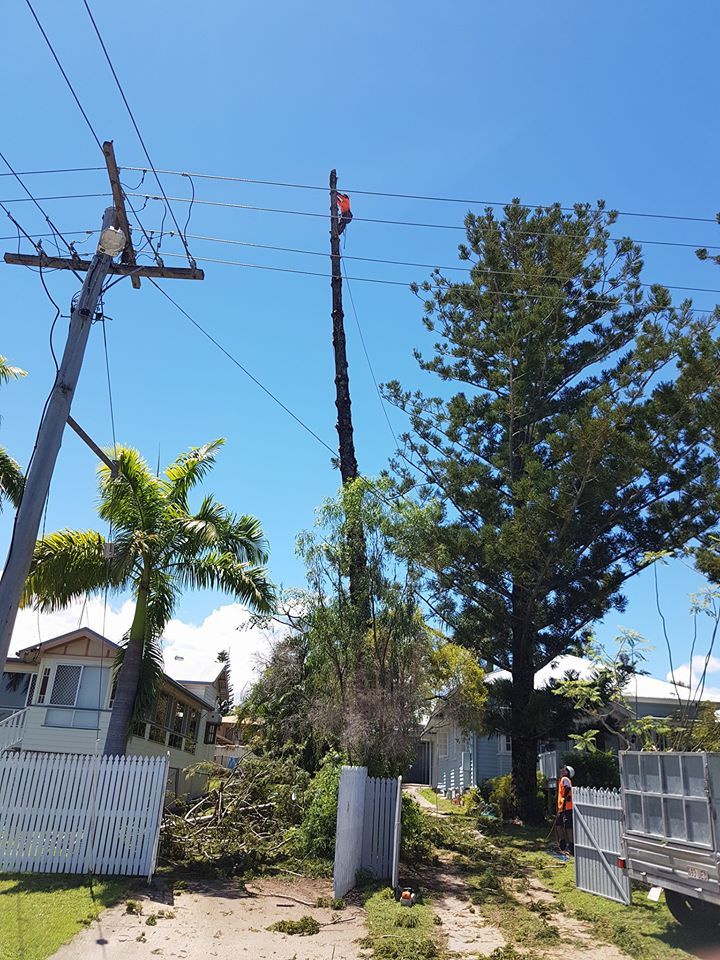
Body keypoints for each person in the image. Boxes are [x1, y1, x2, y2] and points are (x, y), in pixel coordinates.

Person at [556, 764, 574, 855]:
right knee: (559, 824)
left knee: (568, 826)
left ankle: (571, 846)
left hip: (567, 807)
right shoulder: (562, 780)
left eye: (564, 769)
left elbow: (567, 788)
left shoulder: (565, 779)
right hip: (563, 807)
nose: (562, 770)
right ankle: (562, 843)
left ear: (567, 772)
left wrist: (564, 798)